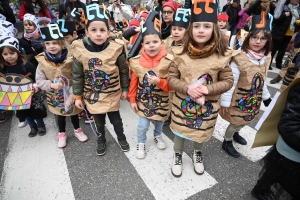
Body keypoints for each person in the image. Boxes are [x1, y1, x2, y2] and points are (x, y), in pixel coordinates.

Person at [167, 1, 234, 177]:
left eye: (206, 26)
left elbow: (228, 81)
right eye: (197, 26)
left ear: (214, 29)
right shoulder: (180, 53)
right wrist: (187, 88)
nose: (201, 30)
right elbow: (171, 78)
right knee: (181, 131)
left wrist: (208, 89)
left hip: (207, 105)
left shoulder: (222, 54)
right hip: (183, 104)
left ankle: (197, 152)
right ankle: (178, 154)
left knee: (202, 130)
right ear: (190, 29)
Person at [72, 5, 130, 156]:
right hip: (93, 95)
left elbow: (123, 70)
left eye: (102, 30)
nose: (98, 34)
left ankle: (121, 137)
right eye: (94, 30)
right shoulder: (80, 50)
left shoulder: (116, 48)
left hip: (112, 93)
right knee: (99, 122)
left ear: (108, 32)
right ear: (86, 32)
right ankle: (101, 139)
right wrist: (77, 96)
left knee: (116, 120)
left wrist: (125, 89)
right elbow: (78, 76)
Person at [220, 13, 273, 158]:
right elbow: (231, 82)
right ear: (248, 38)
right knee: (236, 122)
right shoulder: (240, 58)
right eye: (255, 37)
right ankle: (227, 141)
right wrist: (225, 102)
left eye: (263, 38)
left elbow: (261, 80)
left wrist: (267, 97)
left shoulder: (265, 58)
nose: (258, 41)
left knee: (245, 121)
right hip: (238, 100)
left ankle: (236, 134)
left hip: (253, 100)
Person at [35, 23, 88, 148]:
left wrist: (73, 94)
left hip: (71, 92)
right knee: (60, 115)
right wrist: (51, 85)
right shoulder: (42, 62)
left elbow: (78, 76)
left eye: (55, 43)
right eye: (47, 43)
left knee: (73, 113)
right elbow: (39, 80)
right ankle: (62, 133)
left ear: (62, 43)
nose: (51, 46)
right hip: (54, 95)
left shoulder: (71, 58)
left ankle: (77, 130)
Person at [128, 17, 173, 159]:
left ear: (162, 42)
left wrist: (159, 81)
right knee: (143, 124)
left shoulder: (168, 60)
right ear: (142, 45)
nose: (151, 45)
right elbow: (133, 82)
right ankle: (141, 142)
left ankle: (157, 135)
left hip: (162, 100)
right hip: (144, 101)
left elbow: (171, 85)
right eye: (147, 43)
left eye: (155, 42)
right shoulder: (137, 62)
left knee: (159, 121)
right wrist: (132, 99)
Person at [251, 82, 300, 200]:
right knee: (275, 172)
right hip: (291, 150)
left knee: (275, 172)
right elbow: (288, 125)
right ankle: (261, 190)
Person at [0, 36, 47, 136]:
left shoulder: (27, 65)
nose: (9, 56)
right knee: (23, 112)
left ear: (18, 52)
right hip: (14, 95)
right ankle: (32, 127)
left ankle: (41, 125)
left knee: (36, 110)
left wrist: (34, 88)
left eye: (12, 53)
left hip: (31, 93)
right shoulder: (2, 68)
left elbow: (37, 79)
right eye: (5, 54)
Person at [268, 0, 300, 70]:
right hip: (279, 33)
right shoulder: (283, 7)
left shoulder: (297, 10)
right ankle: (268, 63)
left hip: (289, 34)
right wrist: (284, 15)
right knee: (273, 49)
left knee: (282, 50)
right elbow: (275, 20)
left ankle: (278, 64)